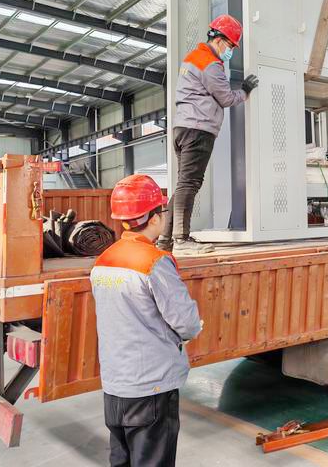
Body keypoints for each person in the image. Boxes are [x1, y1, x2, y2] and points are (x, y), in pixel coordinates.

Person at [91, 174, 202, 467]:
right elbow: (187, 322)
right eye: (162, 211)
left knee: (122, 460)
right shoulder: (153, 262)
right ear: (154, 218)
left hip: (115, 387)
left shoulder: (103, 261)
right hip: (151, 388)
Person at [158, 14, 259, 254]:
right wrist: (245, 91)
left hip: (182, 128)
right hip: (198, 130)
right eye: (231, 46)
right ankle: (181, 240)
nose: (230, 51)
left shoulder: (193, 58)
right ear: (220, 40)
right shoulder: (210, 64)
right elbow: (226, 98)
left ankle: (165, 239)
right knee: (190, 184)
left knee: (184, 184)